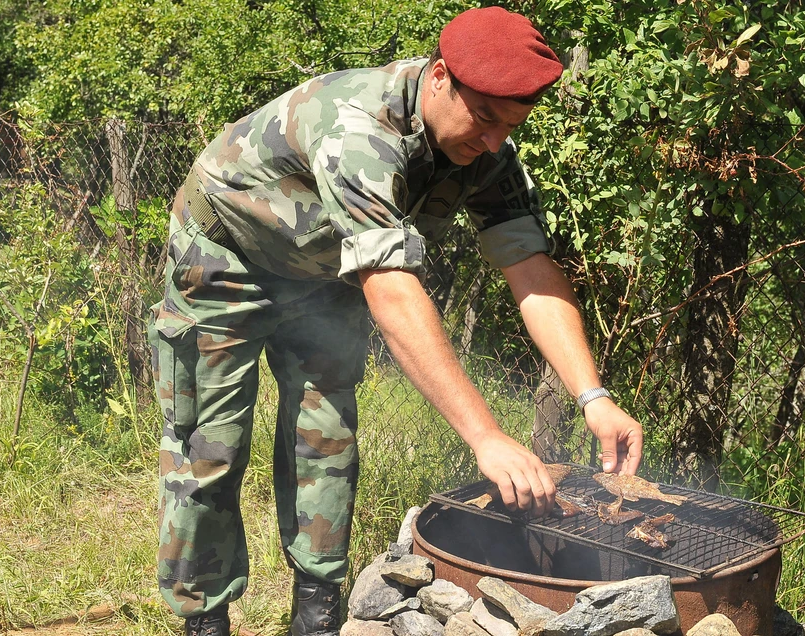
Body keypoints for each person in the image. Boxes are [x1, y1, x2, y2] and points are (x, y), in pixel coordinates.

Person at [148, 6, 644, 636]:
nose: (493, 141)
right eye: (485, 118)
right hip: (227, 260)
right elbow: (392, 293)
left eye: (511, 125)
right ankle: (204, 618)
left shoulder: (488, 149)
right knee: (210, 447)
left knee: (325, 437)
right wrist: (486, 435)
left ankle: (318, 614)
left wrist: (593, 396)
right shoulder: (359, 128)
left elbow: (529, 265)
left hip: (326, 272)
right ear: (439, 77)